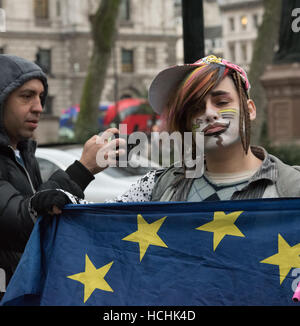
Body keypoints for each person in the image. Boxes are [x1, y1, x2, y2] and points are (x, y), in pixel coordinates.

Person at [100, 54, 300, 203]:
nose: (209, 113)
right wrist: (80, 173)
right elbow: (98, 225)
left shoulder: (293, 186)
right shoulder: (158, 185)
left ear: (250, 110)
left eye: (221, 101)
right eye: (195, 108)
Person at [0, 54, 119, 298]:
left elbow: (44, 218)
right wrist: (83, 168)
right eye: (26, 96)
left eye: (41, 97)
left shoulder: (23, 153)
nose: (39, 107)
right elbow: (23, 220)